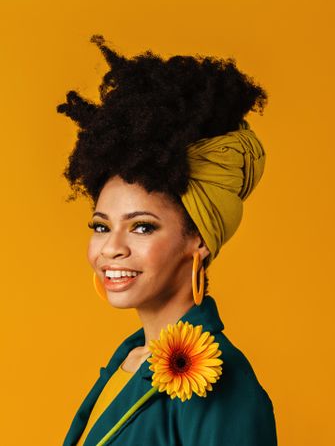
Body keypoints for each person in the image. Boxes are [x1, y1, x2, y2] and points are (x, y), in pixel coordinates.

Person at [57, 35, 278, 446]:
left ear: (200, 240)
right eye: (101, 226)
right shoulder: (128, 360)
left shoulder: (218, 382)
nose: (111, 248)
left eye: (142, 226)